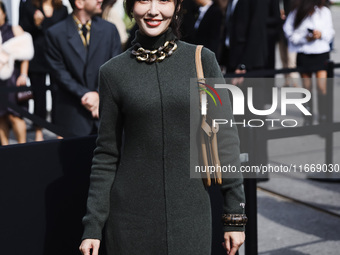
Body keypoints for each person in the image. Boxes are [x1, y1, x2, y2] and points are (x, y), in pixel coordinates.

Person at [79, 0, 246, 255]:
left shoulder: (202, 60)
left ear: (178, 6)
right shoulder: (113, 73)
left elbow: (226, 138)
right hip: (130, 223)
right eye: (144, 0)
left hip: (191, 217)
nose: (153, 10)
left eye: (164, 1)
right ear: (130, 7)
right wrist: (93, 226)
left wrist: (234, 216)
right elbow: (106, 155)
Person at [45, 0, 121, 137]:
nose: (100, 0)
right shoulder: (55, 33)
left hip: (106, 113)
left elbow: (116, 68)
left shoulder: (110, 30)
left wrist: (98, 95)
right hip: (73, 114)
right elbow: (60, 73)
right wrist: (86, 96)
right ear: (79, 2)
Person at [19, 0, 68, 141]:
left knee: (58, 95)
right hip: (37, 58)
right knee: (39, 96)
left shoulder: (62, 9)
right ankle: (38, 131)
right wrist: (37, 24)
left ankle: (59, 131)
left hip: (57, 58)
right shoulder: (28, 6)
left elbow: (65, 33)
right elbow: (23, 31)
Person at [283, 0, 335, 125]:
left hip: (321, 53)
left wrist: (320, 34)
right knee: (307, 88)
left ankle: (323, 117)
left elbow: (330, 32)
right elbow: (288, 31)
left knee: (322, 87)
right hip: (304, 53)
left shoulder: (324, 11)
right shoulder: (297, 11)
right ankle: (308, 117)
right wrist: (304, 38)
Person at [0, 1, 34, 145]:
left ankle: (23, 147)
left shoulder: (14, 29)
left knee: (16, 115)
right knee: (0, 116)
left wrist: (23, 74)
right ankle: (5, 150)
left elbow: (26, 54)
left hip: (13, 79)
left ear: (4, 12)